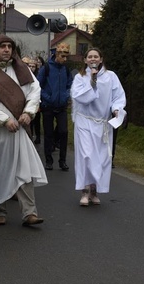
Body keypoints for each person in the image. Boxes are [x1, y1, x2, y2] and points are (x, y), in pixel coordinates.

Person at [0, 35, 47, 226]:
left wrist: (28, 112)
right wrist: (3, 119)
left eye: (9, 46)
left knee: (24, 169)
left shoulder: (22, 69)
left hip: (20, 127)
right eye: (2, 46)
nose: (7, 50)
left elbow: (35, 91)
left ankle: (29, 213)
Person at [71, 47, 126, 206]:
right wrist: (92, 82)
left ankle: (94, 191)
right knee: (86, 156)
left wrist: (116, 109)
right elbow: (80, 97)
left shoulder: (111, 77)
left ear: (101, 59)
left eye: (96, 56)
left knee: (101, 159)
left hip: (102, 124)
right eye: (90, 57)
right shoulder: (80, 78)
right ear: (85, 60)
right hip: (84, 121)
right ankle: (85, 191)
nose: (93, 59)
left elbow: (118, 96)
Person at [38, 42, 74, 171]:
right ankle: (49, 160)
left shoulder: (66, 69)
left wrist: (66, 95)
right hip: (48, 106)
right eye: (62, 56)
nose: (65, 59)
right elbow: (38, 85)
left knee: (63, 132)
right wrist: (47, 97)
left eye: (66, 57)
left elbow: (70, 84)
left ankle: (62, 161)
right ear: (56, 54)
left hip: (62, 106)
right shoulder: (46, 68)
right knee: (48, 134)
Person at [23, 56, 43, 144]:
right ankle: (29, 136)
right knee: (29, 121)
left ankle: (38, 136)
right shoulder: (24, 75)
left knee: (37, 121)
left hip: (37, 101)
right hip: (26, 101)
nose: (31, 68)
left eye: (33, 66)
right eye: (29, 66)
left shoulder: (39, 76)